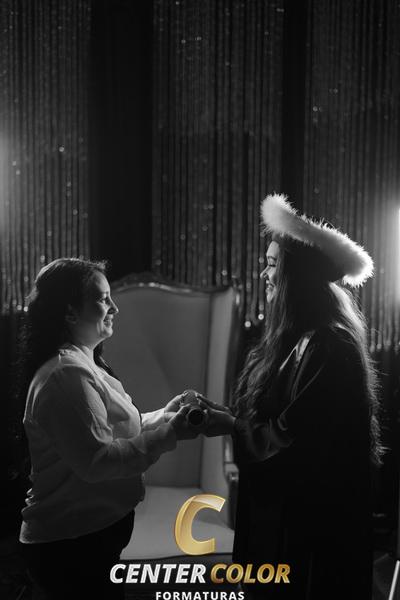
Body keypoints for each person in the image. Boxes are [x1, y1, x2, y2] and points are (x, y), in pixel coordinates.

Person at [202, 194, 383, 599]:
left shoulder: (330, 347)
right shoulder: (292, 341)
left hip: (312, 537)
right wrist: (224, 414)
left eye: (272, 264)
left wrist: (230, 425)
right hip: (284, 523)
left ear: (296, 276)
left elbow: (294, 441)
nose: (263, 274)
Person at [17, 258, 199, 599]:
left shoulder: (82, 364)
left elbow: (108, 431)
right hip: (71, 546)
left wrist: (165, 416)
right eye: (103, 299)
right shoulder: (66, 375)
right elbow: (97, 461)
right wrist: (169, 434)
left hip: (85, 538)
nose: (115, 307)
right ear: (70, 313)